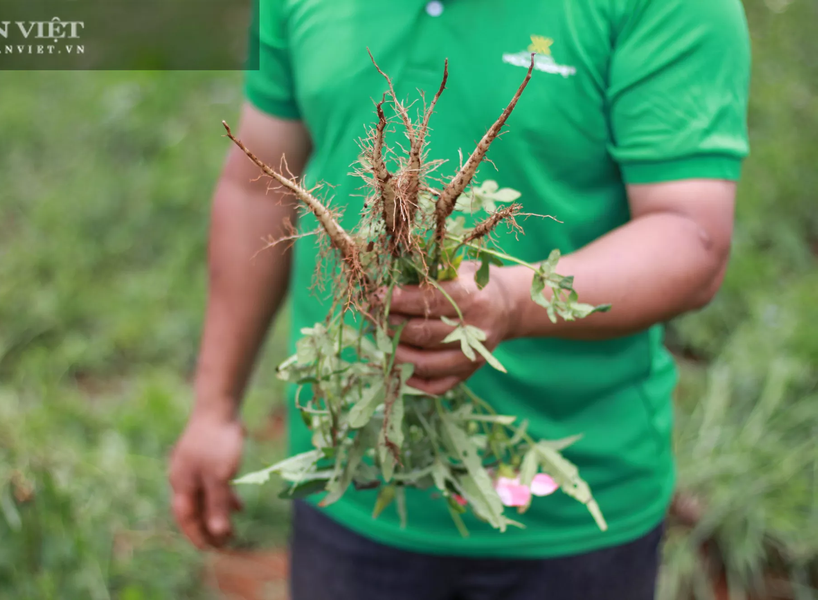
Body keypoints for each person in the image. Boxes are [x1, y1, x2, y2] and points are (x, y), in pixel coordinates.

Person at [169, 0, 751, 597]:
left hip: (568, 501)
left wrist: (510, 302)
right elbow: (257, 190)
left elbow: (690, 236)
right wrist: (214, 406)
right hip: (355, 470)